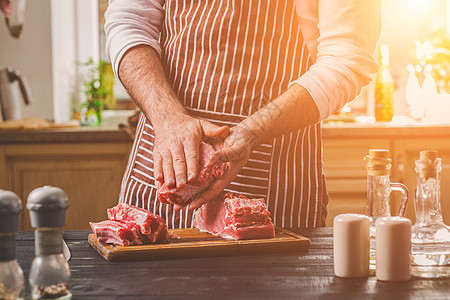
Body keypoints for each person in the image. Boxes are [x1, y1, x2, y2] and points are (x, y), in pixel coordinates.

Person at [105, 0, 381, 230]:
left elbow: (346, 58)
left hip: (275, 175)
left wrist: (251, 131)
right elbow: (129, 22)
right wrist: (168, 119)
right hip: (164, 161)